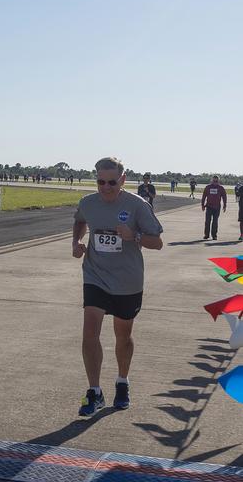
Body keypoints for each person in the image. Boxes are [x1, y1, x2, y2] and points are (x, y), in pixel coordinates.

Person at [72, 157, 163, 417]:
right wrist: (76, 242)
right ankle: (94, 392)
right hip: (95, 275)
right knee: (90, 332)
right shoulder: (88, 203)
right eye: (101, 181)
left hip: (127, 279)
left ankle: (122, 382)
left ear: (123, 180)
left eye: (112, 182)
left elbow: (157, 242)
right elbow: (80, 220)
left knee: (122, 335)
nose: (106, 187)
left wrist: (133, 236)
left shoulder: (137, 206)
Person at [201, 175, 227, 240]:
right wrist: (202, 205)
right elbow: (204, 196)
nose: (215, 181)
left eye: (216, 180)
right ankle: (206, 235)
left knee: (215, 222)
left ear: (218, 181)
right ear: (212, 180)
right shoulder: (208, 187)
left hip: (217, 207)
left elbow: (224, 197)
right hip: (209, 207)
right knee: (207, 221)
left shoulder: (221, 188)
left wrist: (225, 205)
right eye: (214, 180)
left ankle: (214, 235)